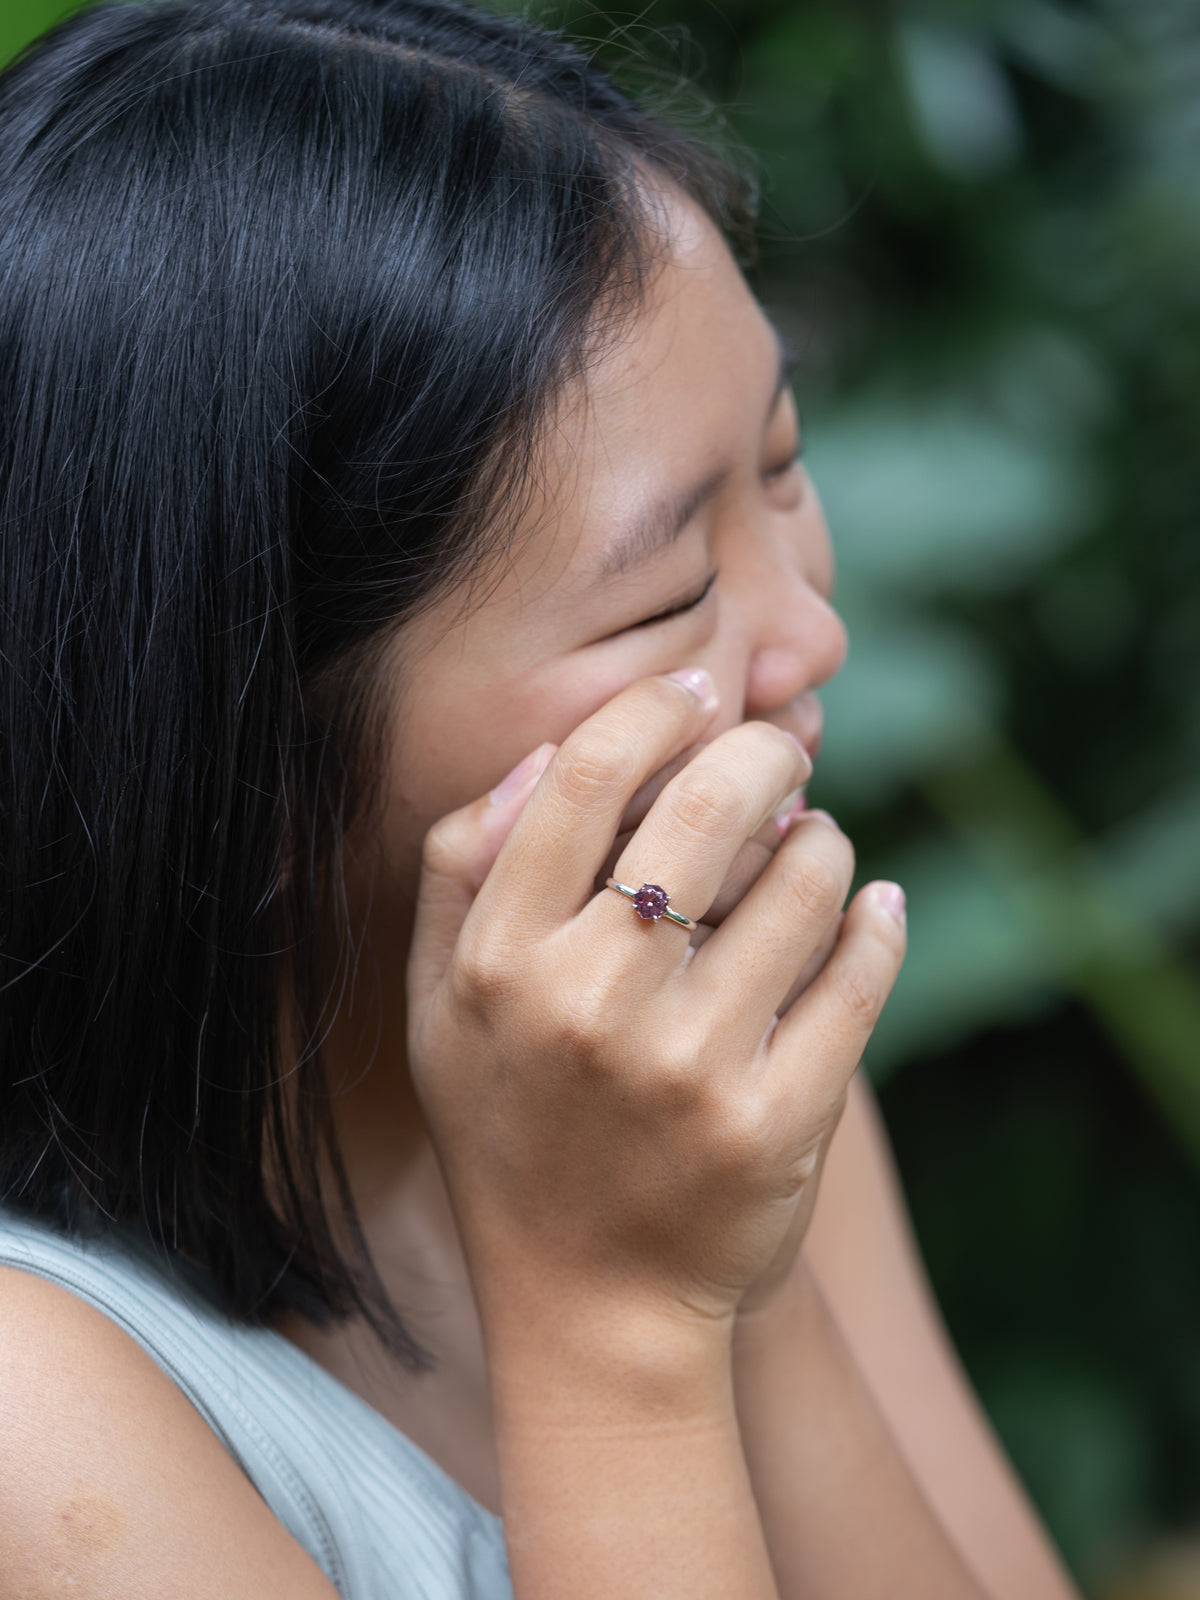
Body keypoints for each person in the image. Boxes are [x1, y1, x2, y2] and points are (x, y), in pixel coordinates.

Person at [0, 2, 1080, 1595]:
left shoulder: (707, 1074)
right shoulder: (43, 1424)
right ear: (241, 764)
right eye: (664, 602)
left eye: (781, 461)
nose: (810, 633)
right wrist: (622, 1321)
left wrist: (744, 1282)